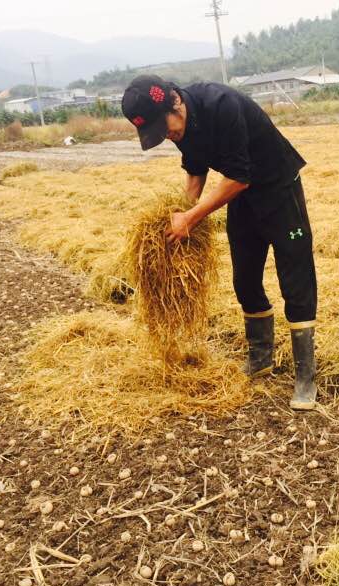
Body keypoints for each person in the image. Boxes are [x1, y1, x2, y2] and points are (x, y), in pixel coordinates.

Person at [121, 75, 318, 410]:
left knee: (295, 280)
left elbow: (239, 177)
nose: (167, 136)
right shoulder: (182, 126)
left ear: (175, 102)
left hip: (277, 188)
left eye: (164, 127)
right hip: (241, 194)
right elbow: (196, 170)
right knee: (244, 279)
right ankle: (260, 359)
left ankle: (305, 375)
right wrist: (179, 213)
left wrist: (193, 217)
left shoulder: (220, 105)